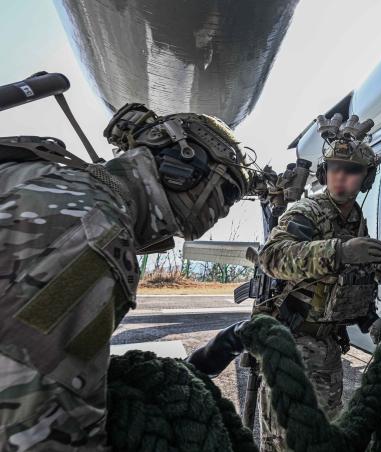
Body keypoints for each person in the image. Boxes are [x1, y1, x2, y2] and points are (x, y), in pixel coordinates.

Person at [0, 103, 256, 451]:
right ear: (185, 165)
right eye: (225, 193)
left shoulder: (41, 172)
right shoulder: (96, 234)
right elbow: (37, 428)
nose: (221, 211)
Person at [255, 114, 381, 451]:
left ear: (365, 179)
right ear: (324, 173)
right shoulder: (309, 210)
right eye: (334, 167)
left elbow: (347, 274)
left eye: (352, 170)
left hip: (327, 349)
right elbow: (272, 257)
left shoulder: (354, 218)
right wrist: (340, 251)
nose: (341, 176)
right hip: (294, 346)